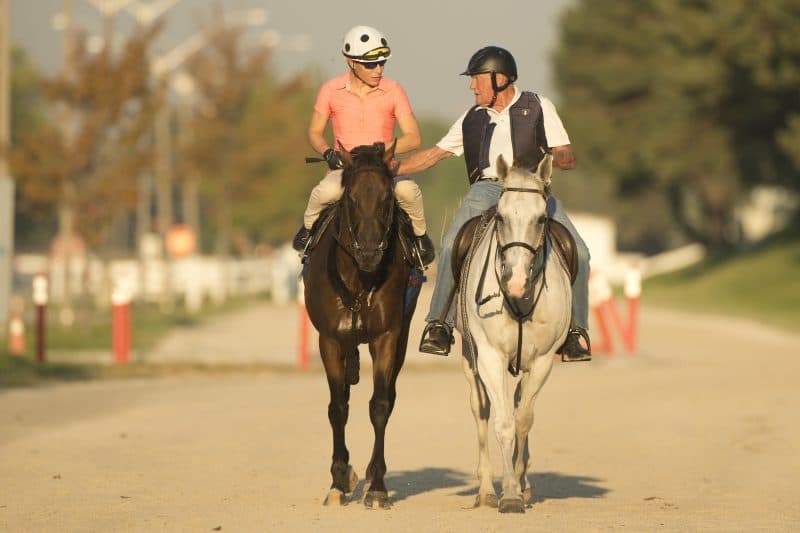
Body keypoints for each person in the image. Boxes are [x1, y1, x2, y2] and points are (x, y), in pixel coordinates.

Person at [397, 45, 592, 362]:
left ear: (499, 79)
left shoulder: (539, 106)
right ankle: (439, 324)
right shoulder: (471, 118)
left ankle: (576, 332)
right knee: (449, 246)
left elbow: (567, 155)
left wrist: (552, 155)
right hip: (486, 190)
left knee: (580, 252)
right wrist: (389, 166)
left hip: (531, 188)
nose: (472, 86)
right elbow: (433, 155)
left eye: (477, 79)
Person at [292, 25, 435, 266]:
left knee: (410, 192)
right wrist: (327, 152)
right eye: (371, 64)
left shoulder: (394, 90)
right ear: (351, 63)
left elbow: (414, 137)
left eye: (382, 63)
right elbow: (314, 132)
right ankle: (307, 233)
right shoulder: (330, 90)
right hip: (346, 171)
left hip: (383, 170)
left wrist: (380, 150)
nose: (378, 69)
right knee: (325, 193)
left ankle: (420, 241)